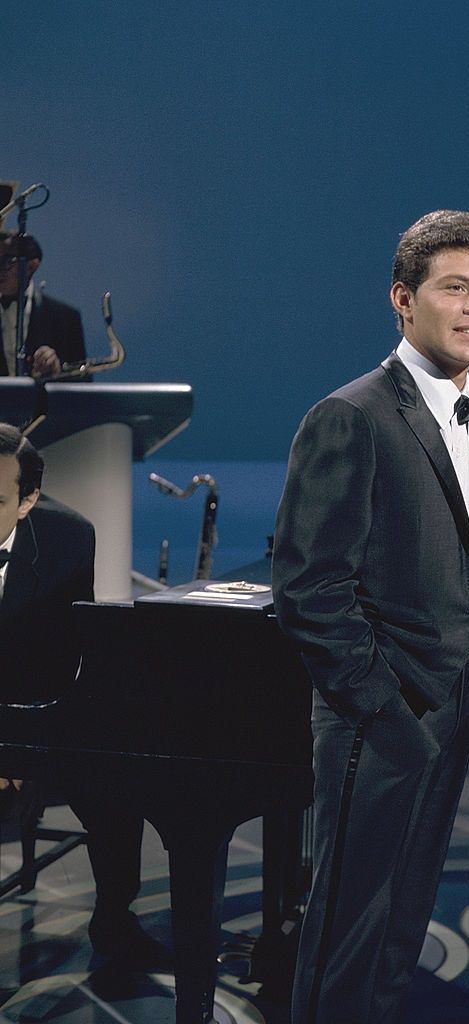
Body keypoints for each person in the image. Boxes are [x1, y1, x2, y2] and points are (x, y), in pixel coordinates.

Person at [272, 210, 469, 1024]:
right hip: (379, 724)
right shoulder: (351, 414)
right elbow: (309, 588)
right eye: (457, 289)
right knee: (345, 937)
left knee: (399, 931)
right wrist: (384, 714)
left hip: (451, 712)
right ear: (403, 300)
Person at [0, 423, 156, 965]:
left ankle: (115, 923)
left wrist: (18, 750)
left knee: (117, 785)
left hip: (30, 711)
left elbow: (60, 655)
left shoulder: (68, 538)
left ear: (28, 501)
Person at [0, 232, 85, 378]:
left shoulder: (65, 318)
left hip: (43, 401)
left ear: (31, 266)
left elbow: (83, 383)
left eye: (7, 262)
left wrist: (57, 370)